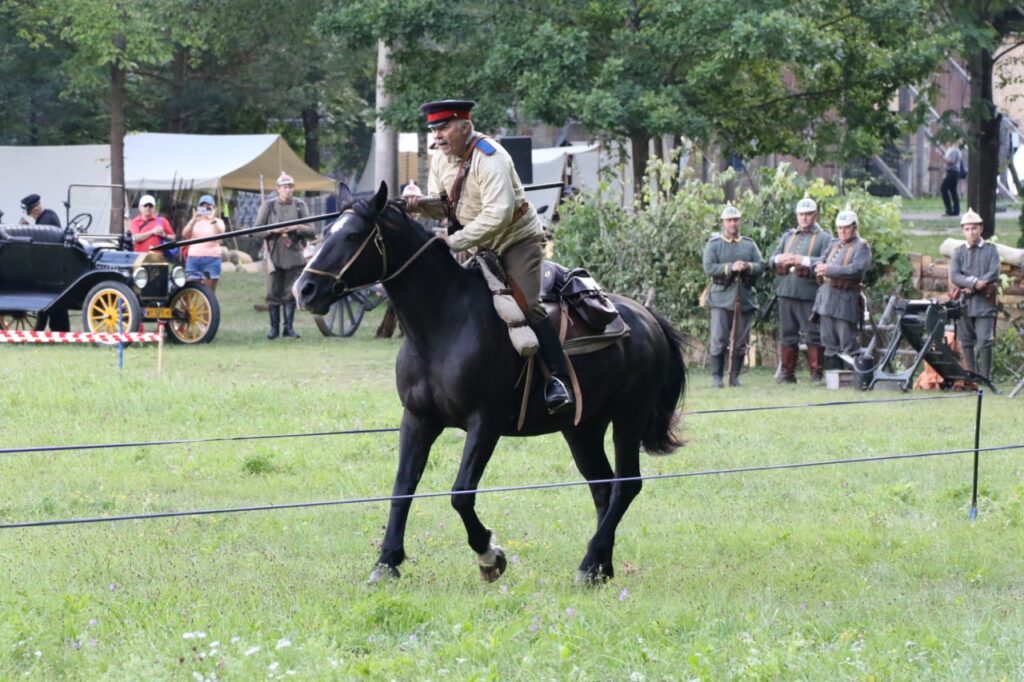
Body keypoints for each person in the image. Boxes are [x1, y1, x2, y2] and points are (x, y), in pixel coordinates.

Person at [404, 99, 574, 414]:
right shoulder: (441, 159)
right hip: (475, 243)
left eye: (443, 128)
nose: (437, 136)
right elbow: (444, 204)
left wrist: (455, 241)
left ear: (465, 127)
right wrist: (417, 203)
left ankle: (558, 380)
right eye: (434, 129)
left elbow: (498, 215)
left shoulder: (490, 158)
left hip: (515, 241)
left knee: (525, 306)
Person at [768, 194, 833, 383]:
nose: (804, 218)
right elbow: (772, 259)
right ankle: (788, 373)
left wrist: (802, 260)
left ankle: (816, 373)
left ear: (815, 216)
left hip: (809, 294)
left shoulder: (824, 238)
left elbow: (826, 261)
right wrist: (780, 259)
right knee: (787, 334)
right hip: (786, 292)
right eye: (801, 214)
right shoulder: (788, 236)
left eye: (808, 214)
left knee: (813, 334)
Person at [702, 204, 766, 388]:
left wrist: (748, 266)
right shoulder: (714, 245)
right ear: (723, 222)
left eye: (736, 220)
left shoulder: (749, 243)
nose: (732, 223)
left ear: (740, 222)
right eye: (729, 220)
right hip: (721, 298)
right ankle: (716, 377)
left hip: (744, 297)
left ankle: (735, 376)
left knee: (740, 341)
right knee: (719, 339)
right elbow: (709, 267)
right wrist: (730, 268)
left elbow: (761, 265)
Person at [811, 204, 873, 370]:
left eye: (846, 228)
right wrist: (817, 266)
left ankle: (855, 377)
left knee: (848, 343)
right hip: (826, 298)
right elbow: (820, 259)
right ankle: (834, 379)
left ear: (854, 227)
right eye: (839, 228)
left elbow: (856, 269)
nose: (842, 231)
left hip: (845, 300)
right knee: (828, 342)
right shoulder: (834, 244)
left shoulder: (862, 246)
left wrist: (828, 269)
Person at [255, 172, 314, 339]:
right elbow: (255, 231)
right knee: (273, 293)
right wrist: (271, 230)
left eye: (290, 187)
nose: (288, 190)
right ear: (278, 189)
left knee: (290, 294)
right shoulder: (269, 206)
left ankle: (288, 328)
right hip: (274, 256)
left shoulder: (299, 205)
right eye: (284, 187)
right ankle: (273, 329)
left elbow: (311, 231)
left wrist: (297, 228)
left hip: (295, 255)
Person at [949, 208, 1001, 379]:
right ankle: (972, 376)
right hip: (965, 303)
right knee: (966, 341)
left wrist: (977, 284)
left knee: (985, 341)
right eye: (967, 229)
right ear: (963, 231)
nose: (971, 232)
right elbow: (955, 275)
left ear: (981, 229)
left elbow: (993, 272)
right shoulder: (958, 252)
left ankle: (985, 377)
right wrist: (972, 283)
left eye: (974, 228)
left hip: (984, 302)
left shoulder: (991, 249)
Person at [182, 194, 226, 291]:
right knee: (189, 289)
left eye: (208, 207)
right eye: (202, 206)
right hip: (194, 258)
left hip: (212, 258)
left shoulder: (218, 221)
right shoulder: (195, 221)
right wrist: (193, 220)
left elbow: (220, 234)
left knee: (208, 292)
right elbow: (185, 234)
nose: (205, 209)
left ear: (214, 209)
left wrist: (212, 219)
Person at [940, 143, 963, 217]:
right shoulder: (952, 150)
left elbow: (951, 162)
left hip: (952, 172)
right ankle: (956, 210)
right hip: (952, 172)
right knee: (953, 191)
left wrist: (942, 156)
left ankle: (949, 209)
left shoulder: (954, 150)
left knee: (943, 189)